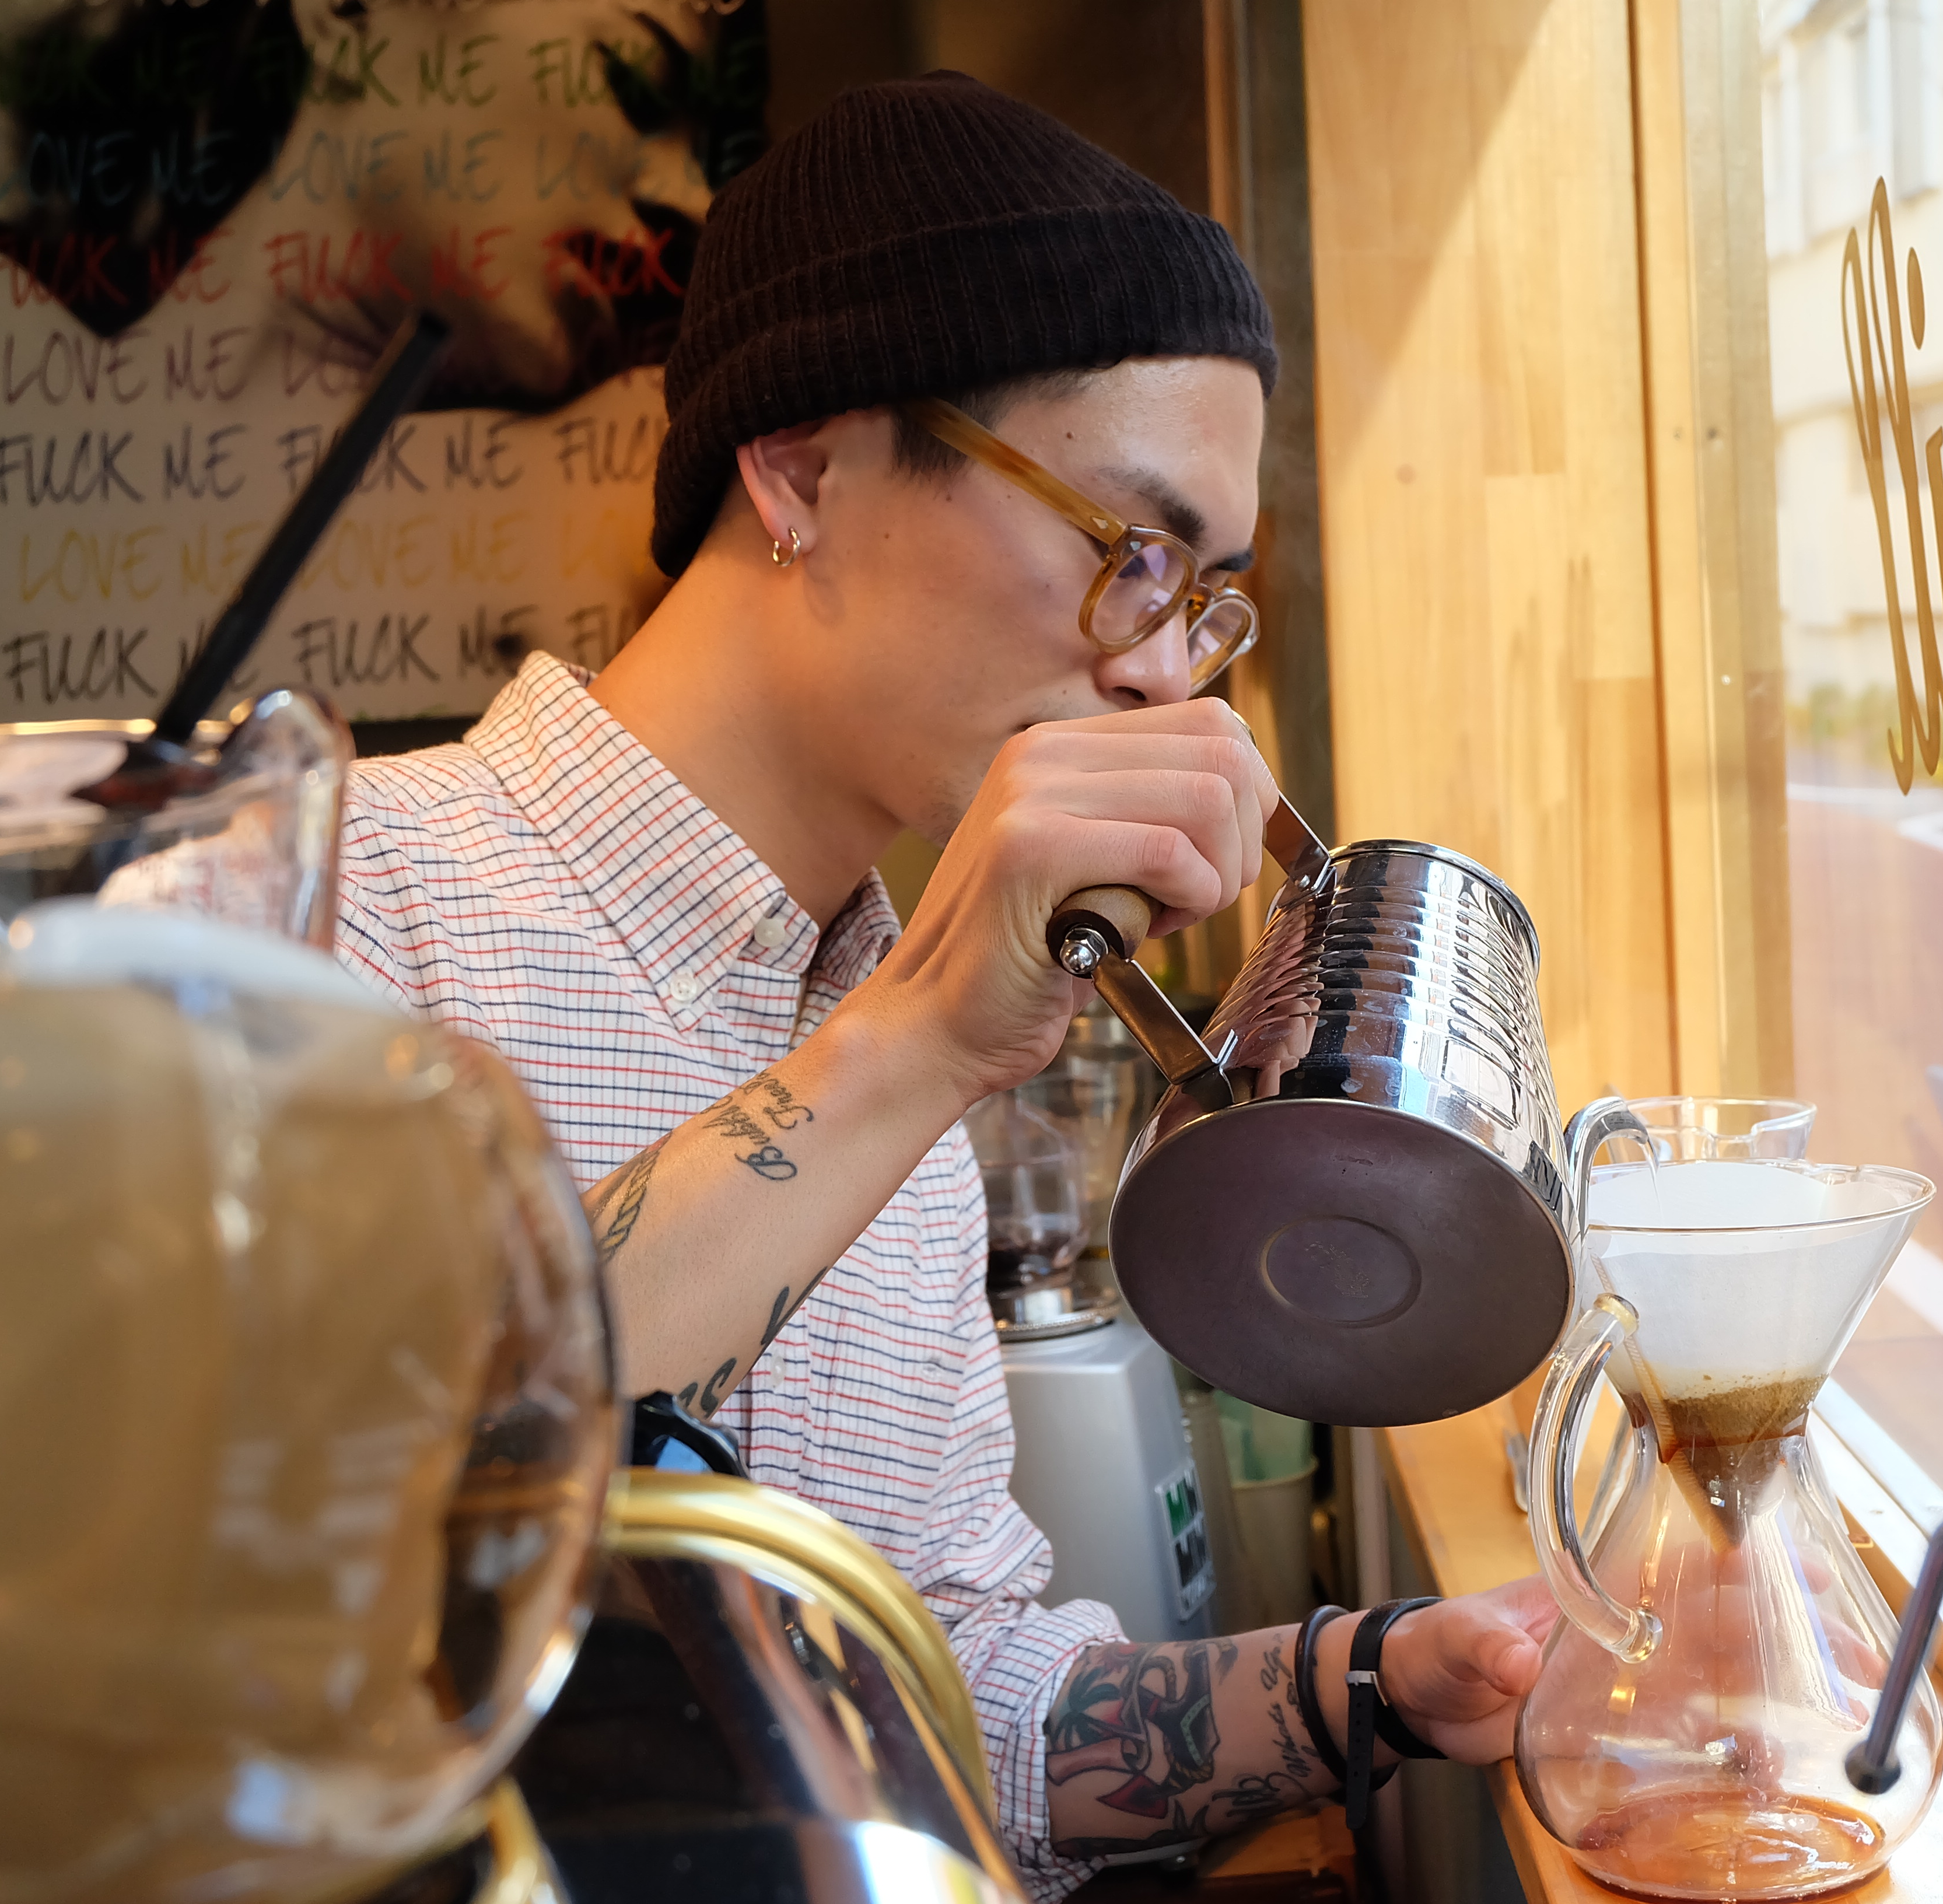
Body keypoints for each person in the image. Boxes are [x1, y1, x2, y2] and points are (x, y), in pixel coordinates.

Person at [330, 72, 1550, 1897]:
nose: (1168, 677)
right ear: (804, 468)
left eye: (1208, 594)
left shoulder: (891, 998)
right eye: (1126, 550)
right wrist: (913, 1045)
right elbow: (363, 1522)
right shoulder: (329, 904)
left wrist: (1367, 1680)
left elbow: (929, 1684)